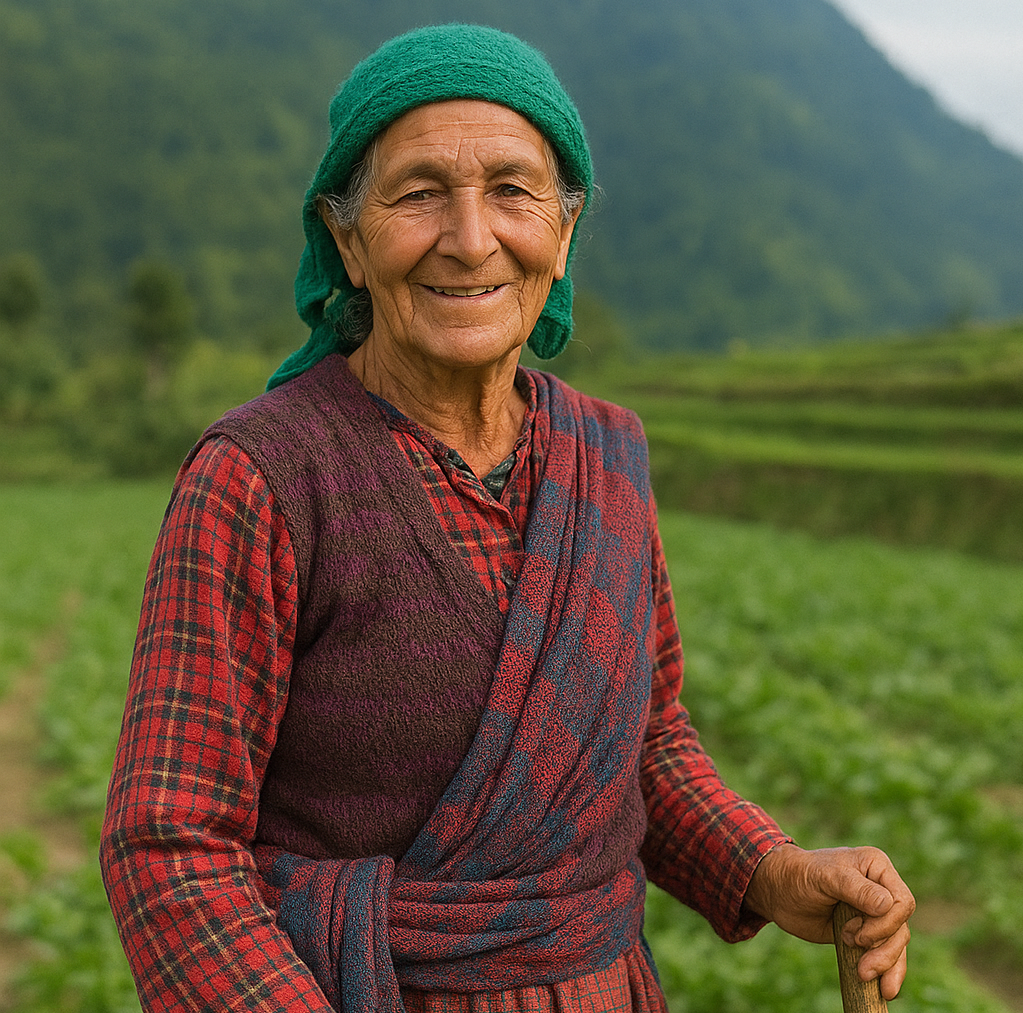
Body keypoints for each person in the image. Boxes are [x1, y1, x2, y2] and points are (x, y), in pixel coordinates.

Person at [100, 24, 914, 1013]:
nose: (472, 237)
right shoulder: (260, 479)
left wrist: (771, 867)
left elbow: (644, 747)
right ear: (347, 239)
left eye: (513, 190)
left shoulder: (608, 456)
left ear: (563, 234)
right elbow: (171, 844)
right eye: (418, 193)